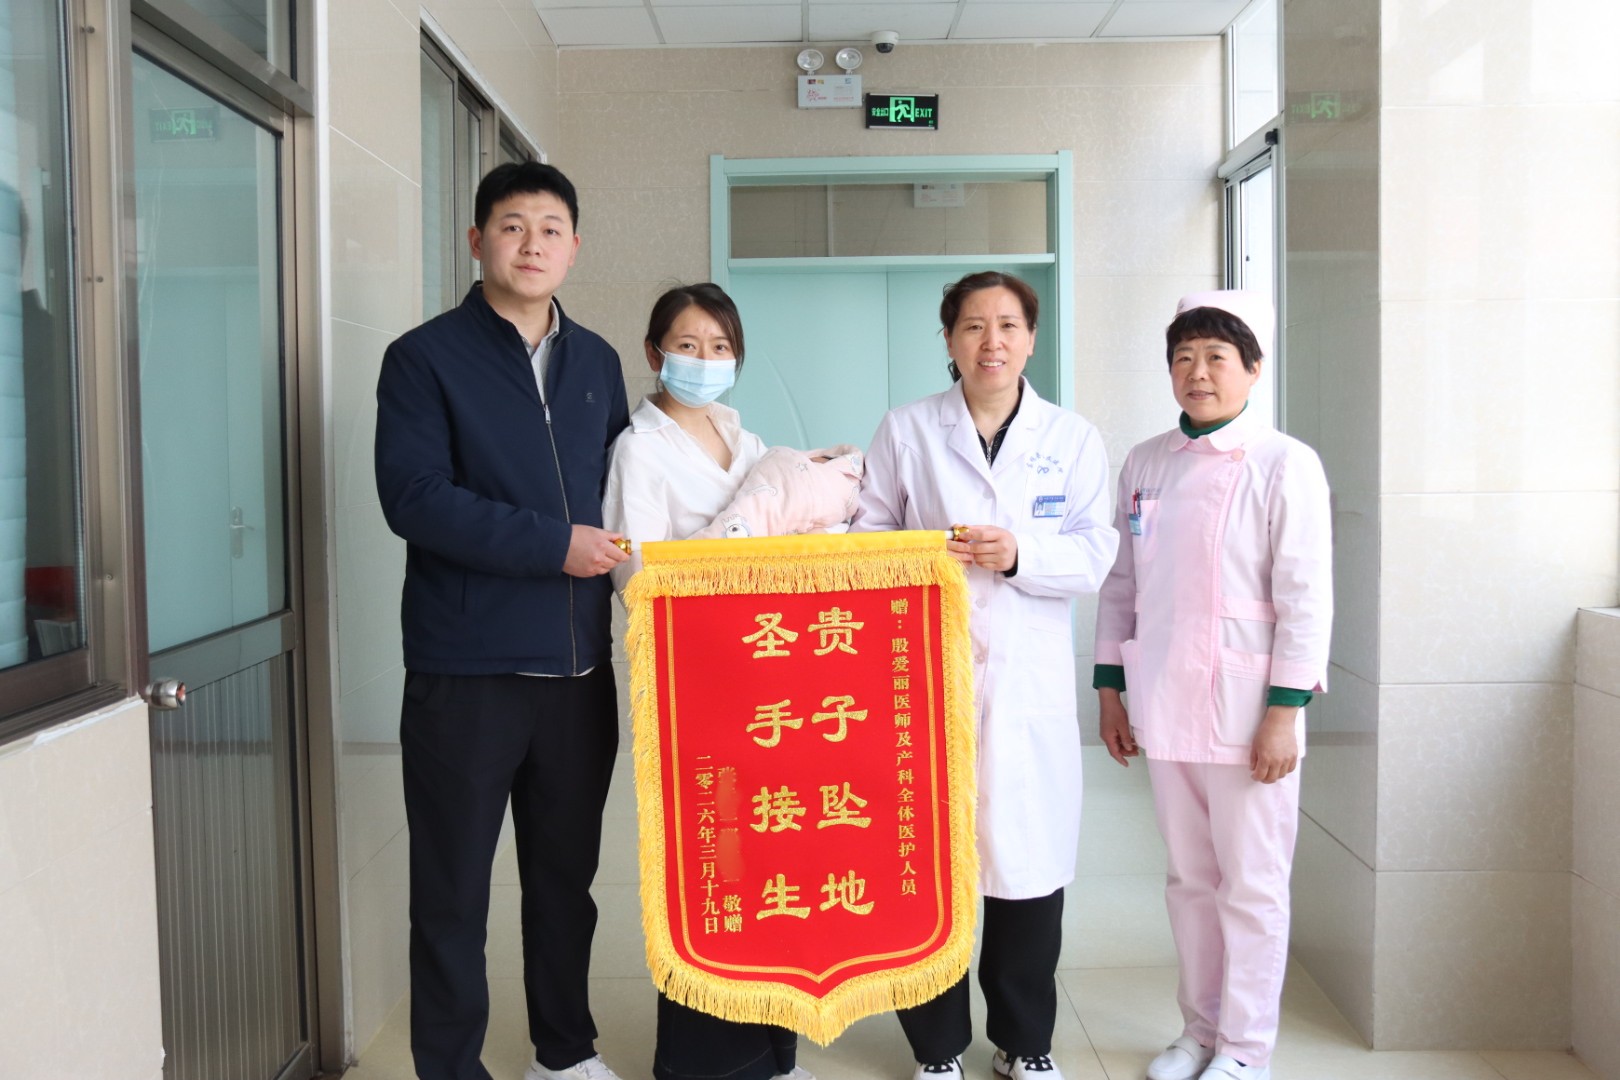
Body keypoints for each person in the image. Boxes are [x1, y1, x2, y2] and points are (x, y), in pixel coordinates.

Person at [375, 161, 631, 1080]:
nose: (532, 244)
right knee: (452, 892)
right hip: (467, 675)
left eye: (551, 228)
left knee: (565, 885)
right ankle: (450, 1068)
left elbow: (627, 493)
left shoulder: (597, 361)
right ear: (477, 239)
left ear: (574, 247)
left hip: (578, 675)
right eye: (513, 225)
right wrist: (553, 545)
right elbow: (413, 497)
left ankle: (564, 1054)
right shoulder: (424, 357)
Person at [850, 271, 1118, 1080]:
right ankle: (936, 1048)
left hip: (1027, 687)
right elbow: (867, 532)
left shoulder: (1072, 438)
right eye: (973, 326)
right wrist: (924, 551)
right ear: (949, 340)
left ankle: (1024, 1042)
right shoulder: (907, 429)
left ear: (1031, 339)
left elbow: (1095, 552)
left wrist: (1020, 553)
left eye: (1007, 325)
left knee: (1026, 869)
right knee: (924, 864)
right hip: (923, 678)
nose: (990, 341)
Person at [1092, 291, 1332, 1080]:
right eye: (1184, 358)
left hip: (1249, 709)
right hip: (1165, 700)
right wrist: (1110, 690)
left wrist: (1284, 712)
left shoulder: (1284, 462)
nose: (1198, 372)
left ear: (1253, 369)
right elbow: (1122, 584)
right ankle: (1199, 1030)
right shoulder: (1146, 461)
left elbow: (1306, 596)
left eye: (1217, 357)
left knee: (1252, 886)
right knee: (1190, 880)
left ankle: (1245, 1049)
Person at [602, 282, 817, 1080]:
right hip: (694, 683)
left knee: (768, 857)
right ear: (654, 353)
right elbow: (636, 575)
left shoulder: (744, 436)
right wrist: (734, 540)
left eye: (720, 347)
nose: (704, 359)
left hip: (767, 676)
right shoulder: (639, 449)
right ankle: (706, 1063)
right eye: (687, 346)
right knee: (711, 863)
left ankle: (774, 1050)